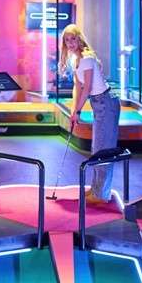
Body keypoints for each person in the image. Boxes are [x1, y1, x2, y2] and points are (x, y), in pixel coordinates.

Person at [59, 24, 120, 205]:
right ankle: (96, 189)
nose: (70, 43)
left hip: (106, 103)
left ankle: (101, 194)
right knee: (97, 148)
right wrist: (73, 111)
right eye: (67, 40)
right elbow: (77, 87)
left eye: (73, 39)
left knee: (103, 149)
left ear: (79, 39)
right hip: (98, 103)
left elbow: (86, 88)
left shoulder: (86, 59)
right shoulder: (75, 59)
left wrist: (78, 110)